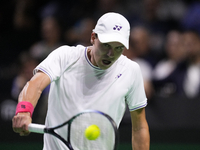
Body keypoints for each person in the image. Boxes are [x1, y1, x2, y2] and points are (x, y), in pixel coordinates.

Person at [12, 12, 150, 150]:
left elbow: (139, 128)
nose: (111, 54)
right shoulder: (65, 56)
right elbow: (35, 84)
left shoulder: (131, 71)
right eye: (106, 45)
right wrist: (24, 111)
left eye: (118, 48)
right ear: (93, 37)